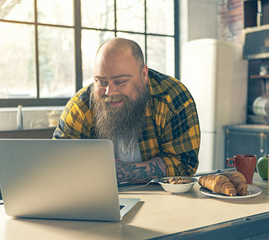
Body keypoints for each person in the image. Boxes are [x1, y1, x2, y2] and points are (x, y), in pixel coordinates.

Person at [53, 37, 200, 184]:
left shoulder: (172, 98)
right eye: (101, 82)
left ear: (143, 75)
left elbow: (185, 164)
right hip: (94, 196)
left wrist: (122, 172)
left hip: (162, 197)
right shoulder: (80, 106)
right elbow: (57, 163)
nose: (109, 92)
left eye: (120, 82)